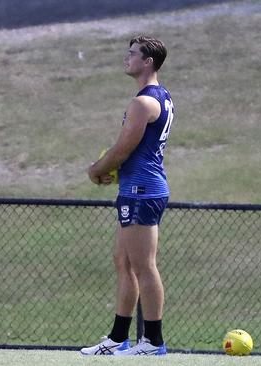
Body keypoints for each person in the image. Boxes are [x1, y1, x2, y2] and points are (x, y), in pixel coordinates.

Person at [82, 35, 174, 356]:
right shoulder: (157, 98)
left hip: (142, 190)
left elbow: (124, 147)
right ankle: (118, 338)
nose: (127, 58)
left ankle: (153, 342)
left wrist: (97, 169)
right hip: (135, 187)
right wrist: (114, 170)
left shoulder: (144, 102)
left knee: (144, 265)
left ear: (147, 61)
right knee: (123, 261)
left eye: (132, 54)